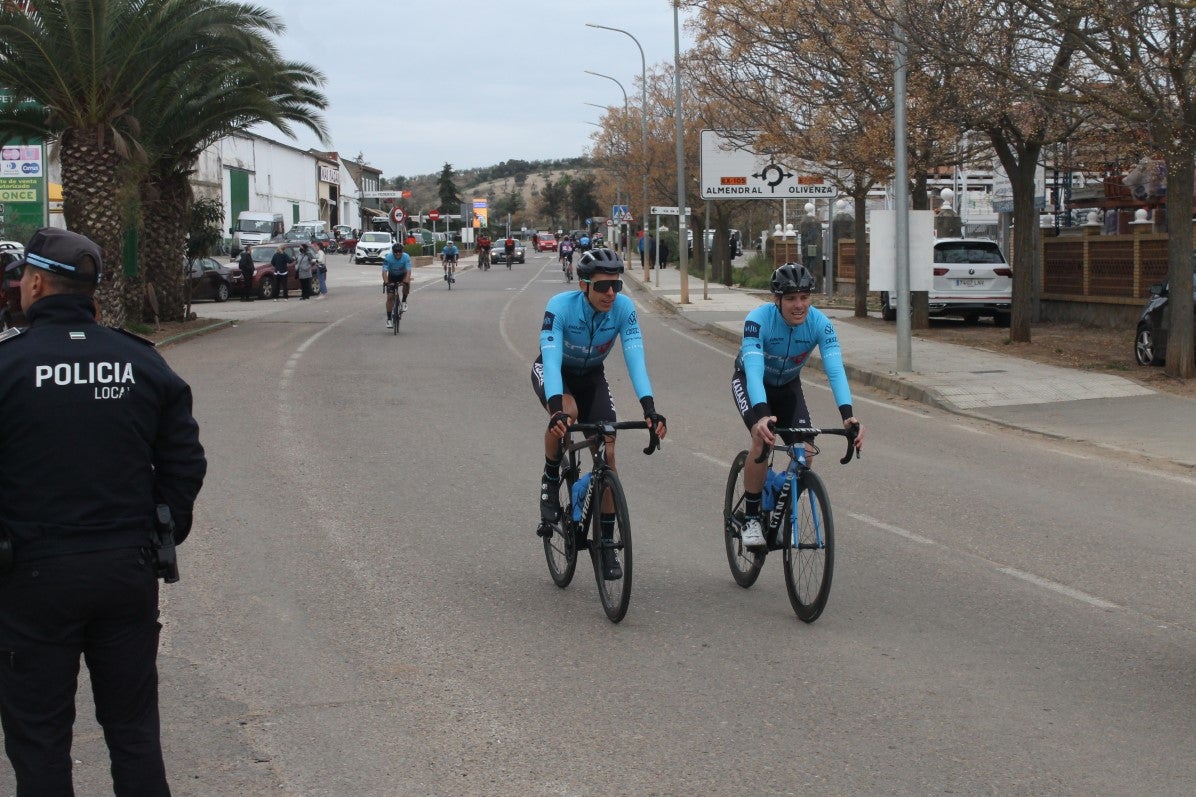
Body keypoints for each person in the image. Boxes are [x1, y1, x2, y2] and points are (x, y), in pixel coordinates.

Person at [0, 227, 206, 796]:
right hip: (127, 569)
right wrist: (162, 529)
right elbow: (185, 459)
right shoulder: (139, 359)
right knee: (134, 731)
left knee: (40, 740)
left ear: (36, 283)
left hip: (30, 576)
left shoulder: (10, 365)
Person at [531, 248, 667, 580]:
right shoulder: (559, 308)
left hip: (592, 376)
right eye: (603, 287)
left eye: (616, 286)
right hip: (556, 374)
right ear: (584, 285)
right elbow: (549, 358)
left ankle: (606, 544)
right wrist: (555, 411)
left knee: (607, 448)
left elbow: (636, 359)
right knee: (569, 413)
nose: (610, 294)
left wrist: (650, 409)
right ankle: (551, 477)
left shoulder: (623, 309)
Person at [731, 263, 865, 547]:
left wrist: (848, 416)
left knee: (805, 450)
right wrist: (762, 416)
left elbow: (836, 370)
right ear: (776, 300)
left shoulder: (821, 324)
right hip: (751, 382)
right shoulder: (758, 320)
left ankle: (780, 500)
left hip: (788, 386)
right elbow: (754, 371)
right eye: (791, 298)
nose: (799, 305)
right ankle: (752, 517)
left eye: (804, 297)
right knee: (761, 439)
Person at [381, 242, 411, 328]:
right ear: (393, 252)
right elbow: (384, 272)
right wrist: (386, 282)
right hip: (392, 277)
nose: (398, 253)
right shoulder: (388, 257)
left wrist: (406, 280)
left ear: (402, 251)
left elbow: (408, 271)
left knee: (407, 282)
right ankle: (389, 319)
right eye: (396, 251)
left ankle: (404, 301)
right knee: (390, 297)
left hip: (402, 275)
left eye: (400, 251)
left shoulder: (406, 257)